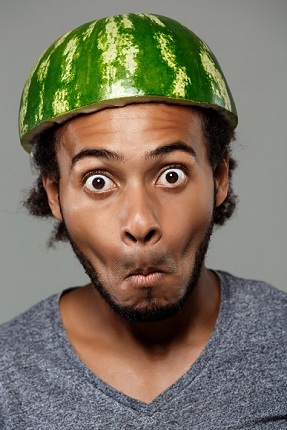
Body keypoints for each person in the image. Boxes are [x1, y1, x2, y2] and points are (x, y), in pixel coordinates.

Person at [0, 13, 286, 429]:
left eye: (172, 175)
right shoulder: (8, 378)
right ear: (54, 194)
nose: (140, 221)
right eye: (98, 181)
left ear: (219, 177)